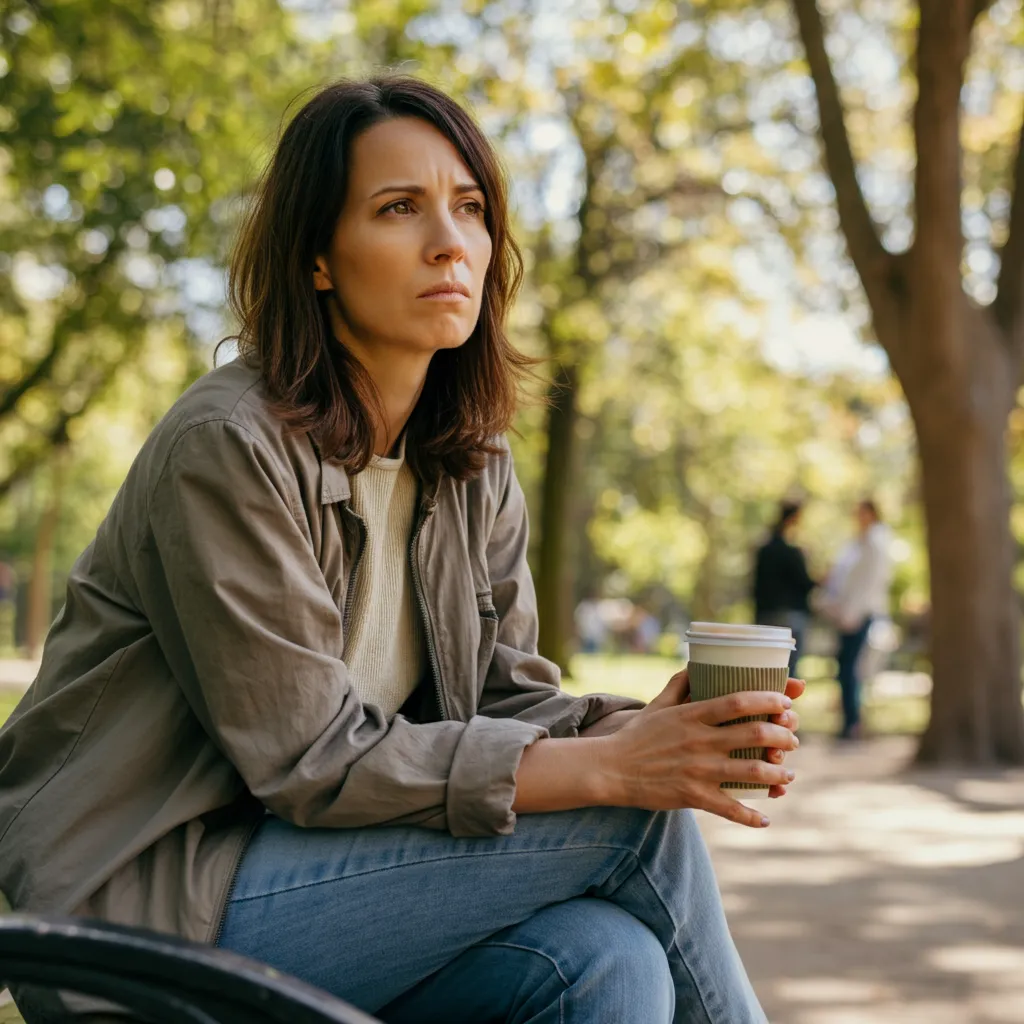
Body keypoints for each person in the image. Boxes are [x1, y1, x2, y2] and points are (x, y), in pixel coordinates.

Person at [0, 77, 803, 1024]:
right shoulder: (227, 450)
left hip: (319, 879)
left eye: (470, 208)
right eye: (397, 209)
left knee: (604, 959)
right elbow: (312, 758)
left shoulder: (470, 461)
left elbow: (503, 698)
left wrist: (633, 730)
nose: (449, 241)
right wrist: (618, 773)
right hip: (136, 909)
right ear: (318, 260)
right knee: (635, 820)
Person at [821, 499, 893, 740]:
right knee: (845, 669)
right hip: (847, 614)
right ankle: (850, 720)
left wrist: (852, 613)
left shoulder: (875, 542)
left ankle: (852, 723)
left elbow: (868, 584)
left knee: (850, 669)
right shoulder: (859, 543)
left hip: (858, 615)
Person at [752, 500, 816, 676]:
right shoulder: (792, 553)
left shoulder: (764, 550)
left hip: (766, 615)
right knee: (788, 673)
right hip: (791, 616)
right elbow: (806, 583)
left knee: (765, 672)